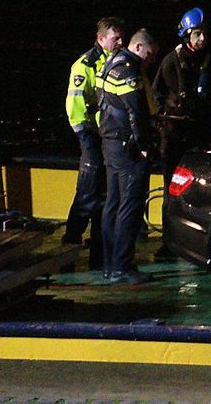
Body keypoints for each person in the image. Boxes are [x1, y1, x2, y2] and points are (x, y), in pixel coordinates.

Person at [62, 16, 125, 268]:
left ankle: (99, 254)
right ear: (100, 39)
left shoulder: (117, 61)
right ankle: (68, 248)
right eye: (115, 38)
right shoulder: (84, 66)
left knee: (107, 196)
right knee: (87, 194)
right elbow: (75, 107)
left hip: (109, 138)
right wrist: (87, 139)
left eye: (122, 37)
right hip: (92, 138)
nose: (120, 42)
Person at [98, 28, 159, 284]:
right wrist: (144, 145)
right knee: (130, 205)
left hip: (110, 142)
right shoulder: (129, 71)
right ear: (138, 48)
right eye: (149, 53)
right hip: (126, 146)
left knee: (112, 203)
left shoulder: (111, 62)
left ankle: (109, 264)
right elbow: (136, 112)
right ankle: (122, 267)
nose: (151, 59)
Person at [153, 7, 211, 240]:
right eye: (197, 34)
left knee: (200, 187)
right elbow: (156, 94)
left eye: (204, 33)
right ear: (186, 34)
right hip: (174, 135)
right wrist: (162, 122)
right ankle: (169, 239)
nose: (202, 39)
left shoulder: (209, 60)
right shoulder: (172, 61)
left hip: (198, 133)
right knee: (172, 188)